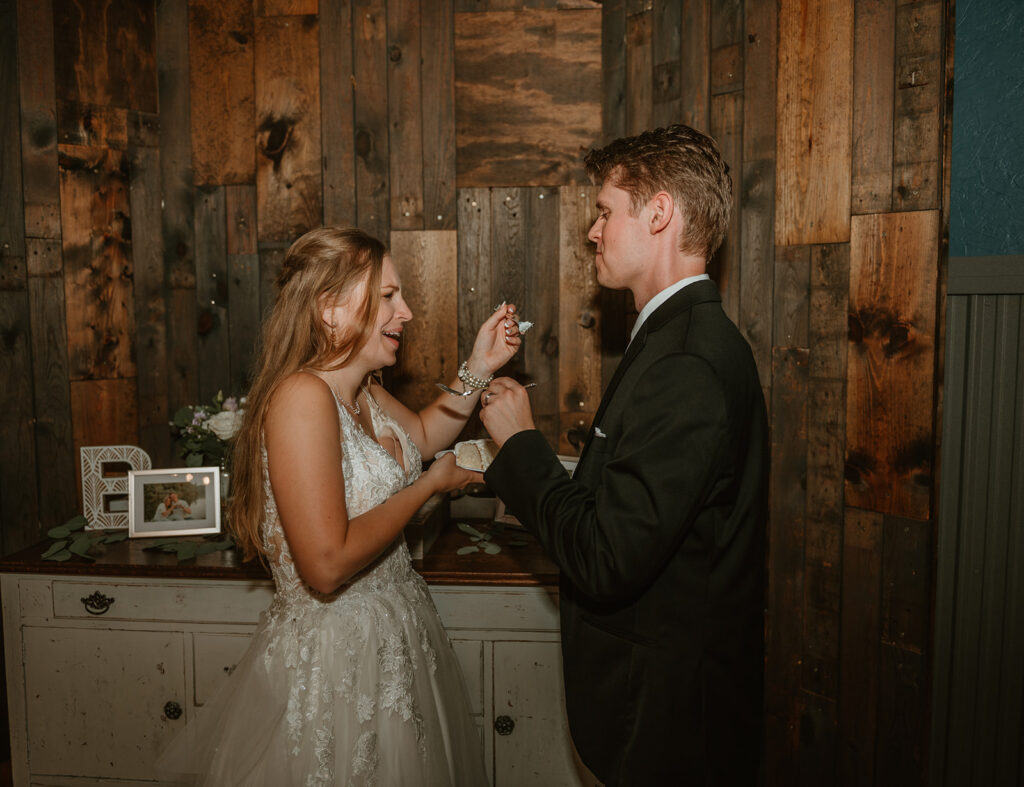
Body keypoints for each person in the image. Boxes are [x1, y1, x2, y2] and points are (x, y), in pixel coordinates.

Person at [157, 227, 521, 785]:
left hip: (393, 638)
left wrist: (480, 363)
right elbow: (325, 566)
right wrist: (428, 487)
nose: (408, 312)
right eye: (388, 297)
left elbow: (423, 435)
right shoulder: (302, 398)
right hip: (332, 662)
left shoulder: (363, 388)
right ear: (330, 308)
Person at [479, 124, 769, 785]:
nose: (593, 231)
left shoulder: (688, 360)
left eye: (606, 211)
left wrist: (522, 445)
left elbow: (609, 557)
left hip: (667, 725)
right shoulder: (673, 338)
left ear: (659, 212)